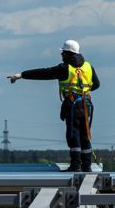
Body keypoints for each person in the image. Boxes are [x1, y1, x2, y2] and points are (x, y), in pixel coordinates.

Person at [7, 39, 101, 171]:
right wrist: (83, 90)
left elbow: (44, 73)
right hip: (86, 104)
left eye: (63, 53)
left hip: (73, 104)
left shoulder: (65, 68)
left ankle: (76, 165)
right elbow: (96, 85)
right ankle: (87, 165)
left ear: (68, 53)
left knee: (73, 135)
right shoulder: (88, 67)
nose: (61, 55)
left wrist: (21, 75)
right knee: (85, 135)